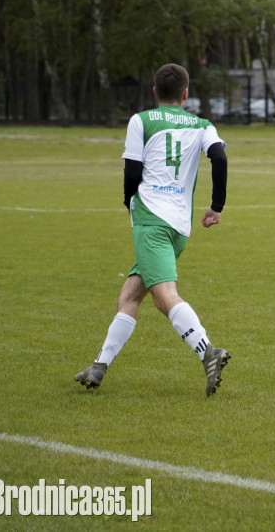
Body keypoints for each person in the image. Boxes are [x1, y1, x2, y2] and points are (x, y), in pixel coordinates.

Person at [75, 63, 231, 396]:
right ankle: (99, 367)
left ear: (155, 92)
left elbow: (132, 172)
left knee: (164, 298)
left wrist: (130, 204)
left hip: (151, 220)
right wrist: (216, 206)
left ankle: (209, 352)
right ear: (186, 94)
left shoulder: (141, 120)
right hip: (179, 227)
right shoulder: (203, 125)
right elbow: (219, 157)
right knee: (130, 295)